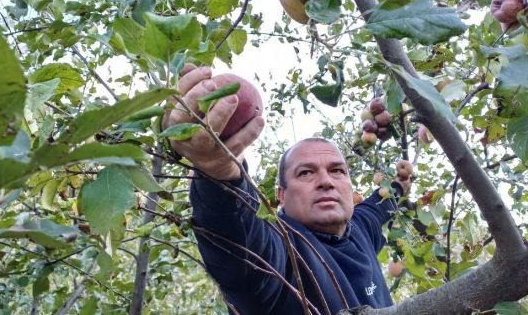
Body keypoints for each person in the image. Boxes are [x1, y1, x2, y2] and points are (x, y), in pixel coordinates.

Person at [164, 65, 411, 315]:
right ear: (281, 195)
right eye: (306, 173)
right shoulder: (282, 249)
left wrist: (400, 185)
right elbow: (242, 244)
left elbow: (380, 205)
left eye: (337, 171)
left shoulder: (360, 230)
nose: (326, 181)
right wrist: (220, 173)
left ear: (349, 185)